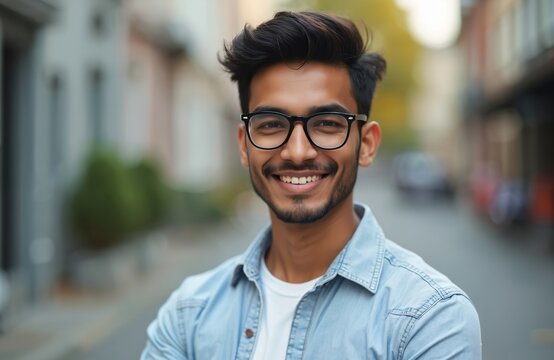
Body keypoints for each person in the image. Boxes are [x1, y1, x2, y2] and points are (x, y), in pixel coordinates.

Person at [141, 11, 481, 359]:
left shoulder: (430, 319)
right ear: (244, 145)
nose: (298, 151)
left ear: (366, 144)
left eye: (327, 124)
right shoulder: (187, 315)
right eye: (271, 124)